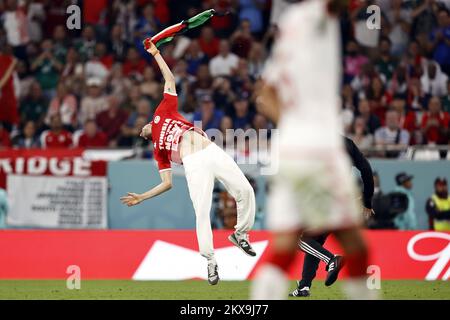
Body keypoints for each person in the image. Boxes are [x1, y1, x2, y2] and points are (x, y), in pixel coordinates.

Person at [251, 0, 374, 300]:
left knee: (288, 245)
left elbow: (263, 96)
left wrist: (293, 128)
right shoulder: (315, 14)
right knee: (353, 244)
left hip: (294, 149)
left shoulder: (292, 27)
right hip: (317, 150)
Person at [120, 40, 256, 285]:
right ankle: (211, 261)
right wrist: (142, 196)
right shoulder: (158, 150)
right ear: (144, 136)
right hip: (193, 163)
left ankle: (241, 234)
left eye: (143, 123)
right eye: (139, 130)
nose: (141, 126)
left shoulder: (162, 112)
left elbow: (169, 80)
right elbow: (167, 183)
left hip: (211, 149)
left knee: (244, 189)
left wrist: (157, 54)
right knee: (202, 211)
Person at [290, 136, 375, 297]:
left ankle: (331, 260)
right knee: (314, 241)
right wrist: (367, 201)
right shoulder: (346, 143)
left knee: (299, 238)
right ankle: (304, 286)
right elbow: (366, 169)